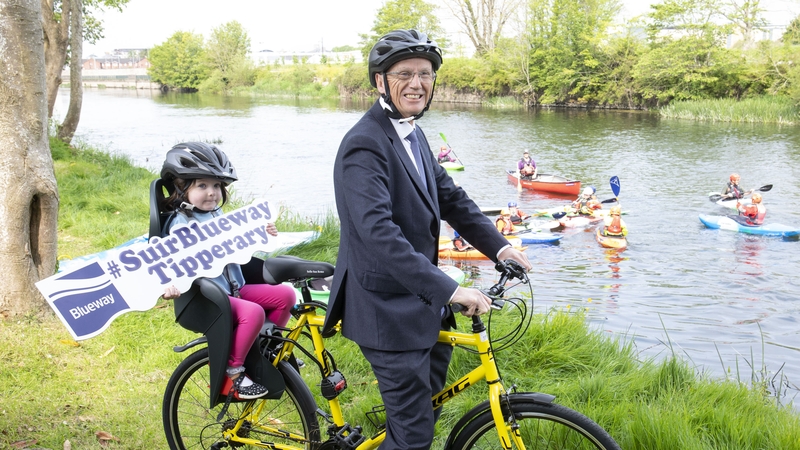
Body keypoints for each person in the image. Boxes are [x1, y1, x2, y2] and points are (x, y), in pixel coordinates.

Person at [321, 30, 531, 450]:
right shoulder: (364, 145)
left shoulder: (413, 134)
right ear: (380, 81)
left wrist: (500, 247)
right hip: (386, 311)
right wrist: (452, 289)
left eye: (426, 74)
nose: (417, 83)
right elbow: (379, 235)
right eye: (404, 74)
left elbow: (450, 196)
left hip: (422, 302)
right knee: (413, 436)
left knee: (426, 411)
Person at [159, 142, 297, 401]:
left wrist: (261, 234)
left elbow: (237, 245)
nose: (211, 193)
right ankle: (232, 372)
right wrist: (169, 284)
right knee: (253, 312)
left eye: (216, 186)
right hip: (211, 297)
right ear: (181, 188)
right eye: (202, 186)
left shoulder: (217, 215)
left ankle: (266, 349)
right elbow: (171, 259)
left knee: (286, 296)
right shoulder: (182, 225)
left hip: (236, 286)